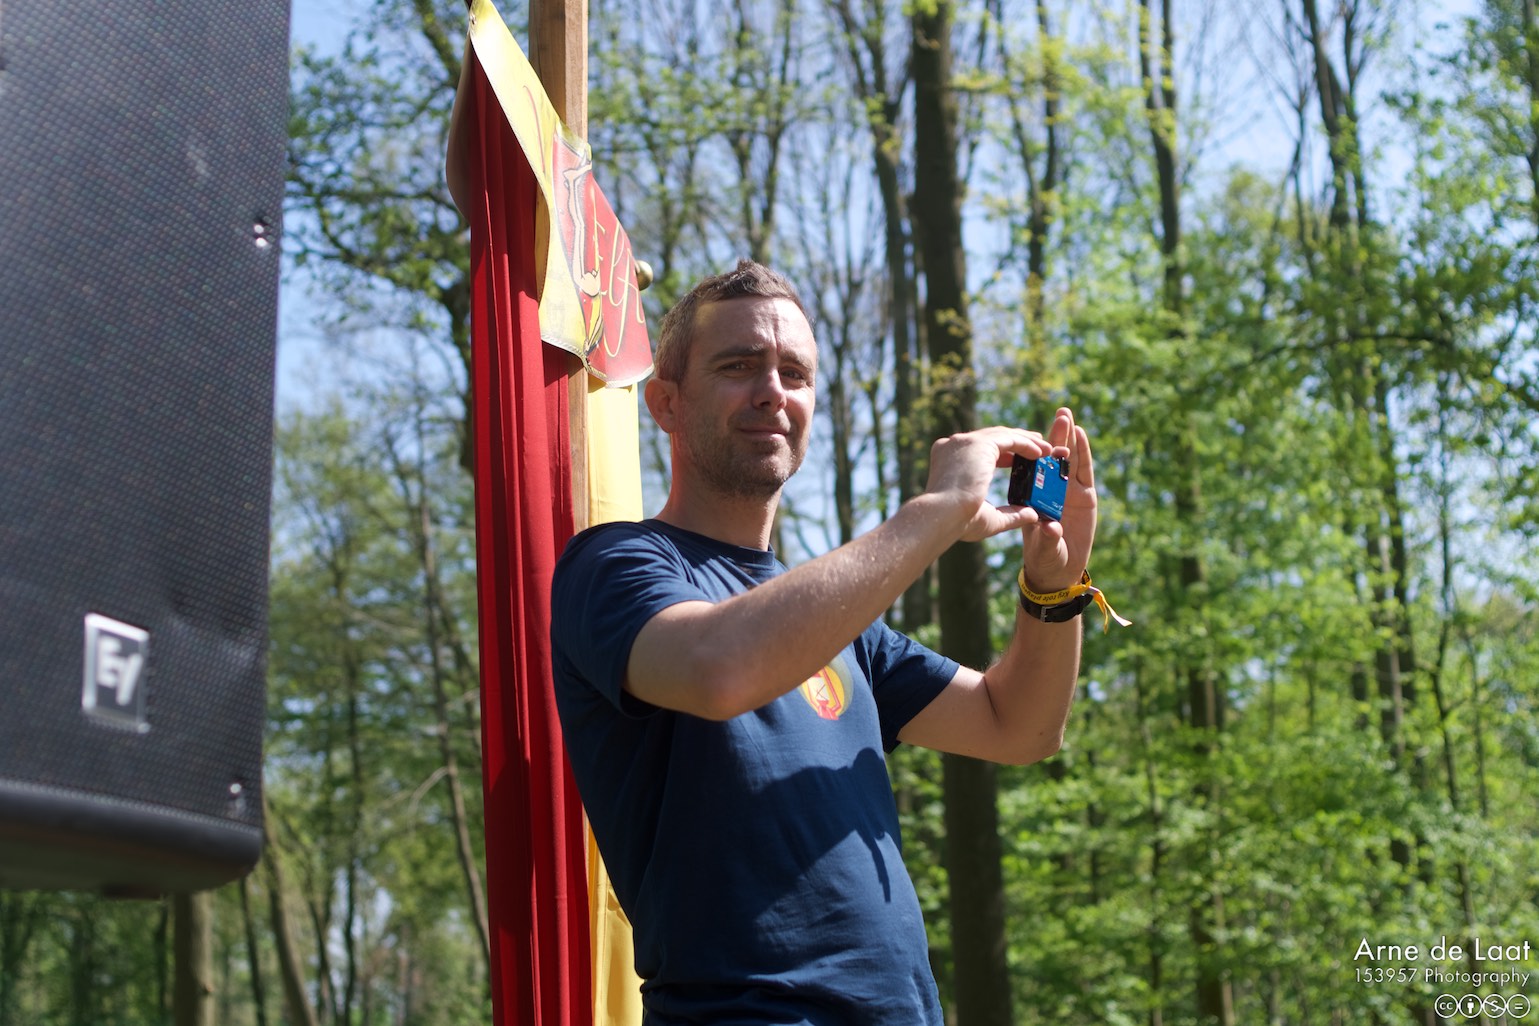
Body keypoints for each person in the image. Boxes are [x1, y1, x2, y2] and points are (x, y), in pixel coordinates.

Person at [550, 260, 1103, 1024]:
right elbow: (718, 669)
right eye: (738, 366)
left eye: (794, 373)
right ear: (666, 403)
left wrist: (1053, 589)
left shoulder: (839, 623)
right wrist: (934, 511)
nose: (772, 391)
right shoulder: (613, 564)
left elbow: (1019, 727)